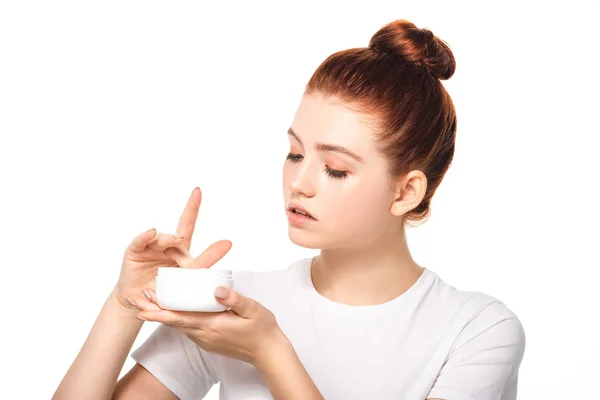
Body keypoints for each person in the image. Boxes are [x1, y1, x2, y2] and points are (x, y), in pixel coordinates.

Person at [53, 18, 526, 400]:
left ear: (406, 192)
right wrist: (125, 304)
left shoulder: (476, 330)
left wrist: (270, 351)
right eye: (295, 154)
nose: (298, 183)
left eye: (335, 169)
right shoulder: (234, 308)